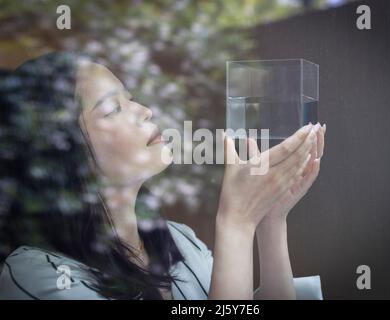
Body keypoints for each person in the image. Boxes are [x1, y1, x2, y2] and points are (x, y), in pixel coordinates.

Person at [0, 52, 326, 300]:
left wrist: (270, 219)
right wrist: (236, 225)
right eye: (113, 108)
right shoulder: (35, 275)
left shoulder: (180, 241)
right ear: (60, 151)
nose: (144, 110)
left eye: (129, 98)